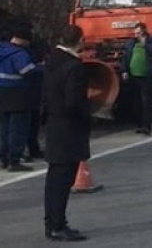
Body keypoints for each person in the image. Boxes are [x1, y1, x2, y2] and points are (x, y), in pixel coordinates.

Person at [42, 25, 90, 241]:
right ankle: (58, 225)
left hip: (54, 122)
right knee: (63, 180)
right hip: (69, 127)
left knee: (54, 179)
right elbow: (74, 102)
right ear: (79, 41)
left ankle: (51, 222)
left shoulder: (51, 62)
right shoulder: (74, 67)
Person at [0, 26, 41, 172]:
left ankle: (3, 158)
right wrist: (41, 68)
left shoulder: (2, 49)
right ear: (24, 40)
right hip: (18, 94)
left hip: (2, 92)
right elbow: (27, 71)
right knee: (18, 128)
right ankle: (14, 160)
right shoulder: (19, 54)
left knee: (4, 127)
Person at [120, 23, 152, 135]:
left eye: (138, 33)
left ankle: (147, 126)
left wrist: (146, 45)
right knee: (136, 102)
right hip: (134, 76)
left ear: (144, 32)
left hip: (147, 76)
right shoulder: (131, 43)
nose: (136, 35)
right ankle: (139, 124)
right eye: (135, 33)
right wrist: (124, 70)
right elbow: (125, 57)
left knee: (146, 102)